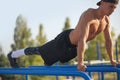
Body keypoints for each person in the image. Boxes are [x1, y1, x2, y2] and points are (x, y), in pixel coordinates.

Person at [8, 0, 119, 72]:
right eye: (111, 7)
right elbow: (82, 39)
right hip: (64, 42)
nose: (113, 10)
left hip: (73, 50)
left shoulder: (106, 21)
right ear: (102, 3)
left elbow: (108, 41)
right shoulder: (89, 15)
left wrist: (112, 60)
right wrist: (80, 62)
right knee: (39, 50)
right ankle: (13, 55)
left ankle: (48, 60)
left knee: (49, 62)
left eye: (115, 8)